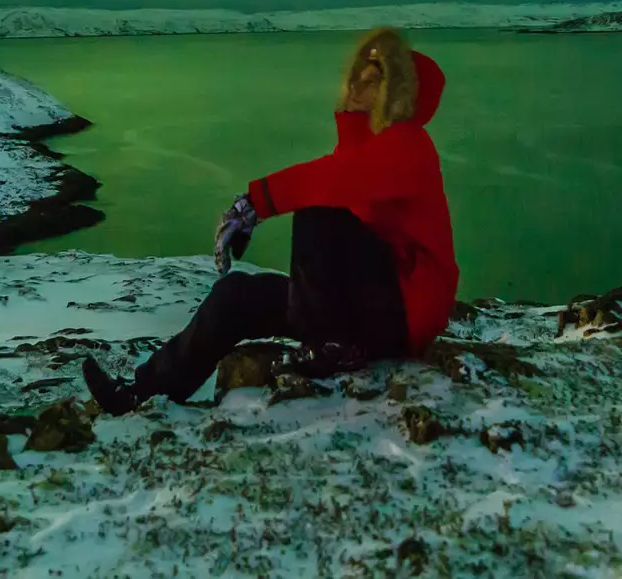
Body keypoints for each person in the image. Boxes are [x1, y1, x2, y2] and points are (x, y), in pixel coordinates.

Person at [81, 26, 459, 414]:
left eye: (371, 81)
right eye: (355, 78)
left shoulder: (411, 146)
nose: (354, 87)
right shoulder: (366, 150)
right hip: (358, 312)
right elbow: (340, 175)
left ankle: (332, 346)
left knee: (319, 212)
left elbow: (329, 181)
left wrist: (255, 203)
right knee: (236, 296)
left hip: (402, 316)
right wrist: (350, 123)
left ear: (397, 93)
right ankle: (143, 392)